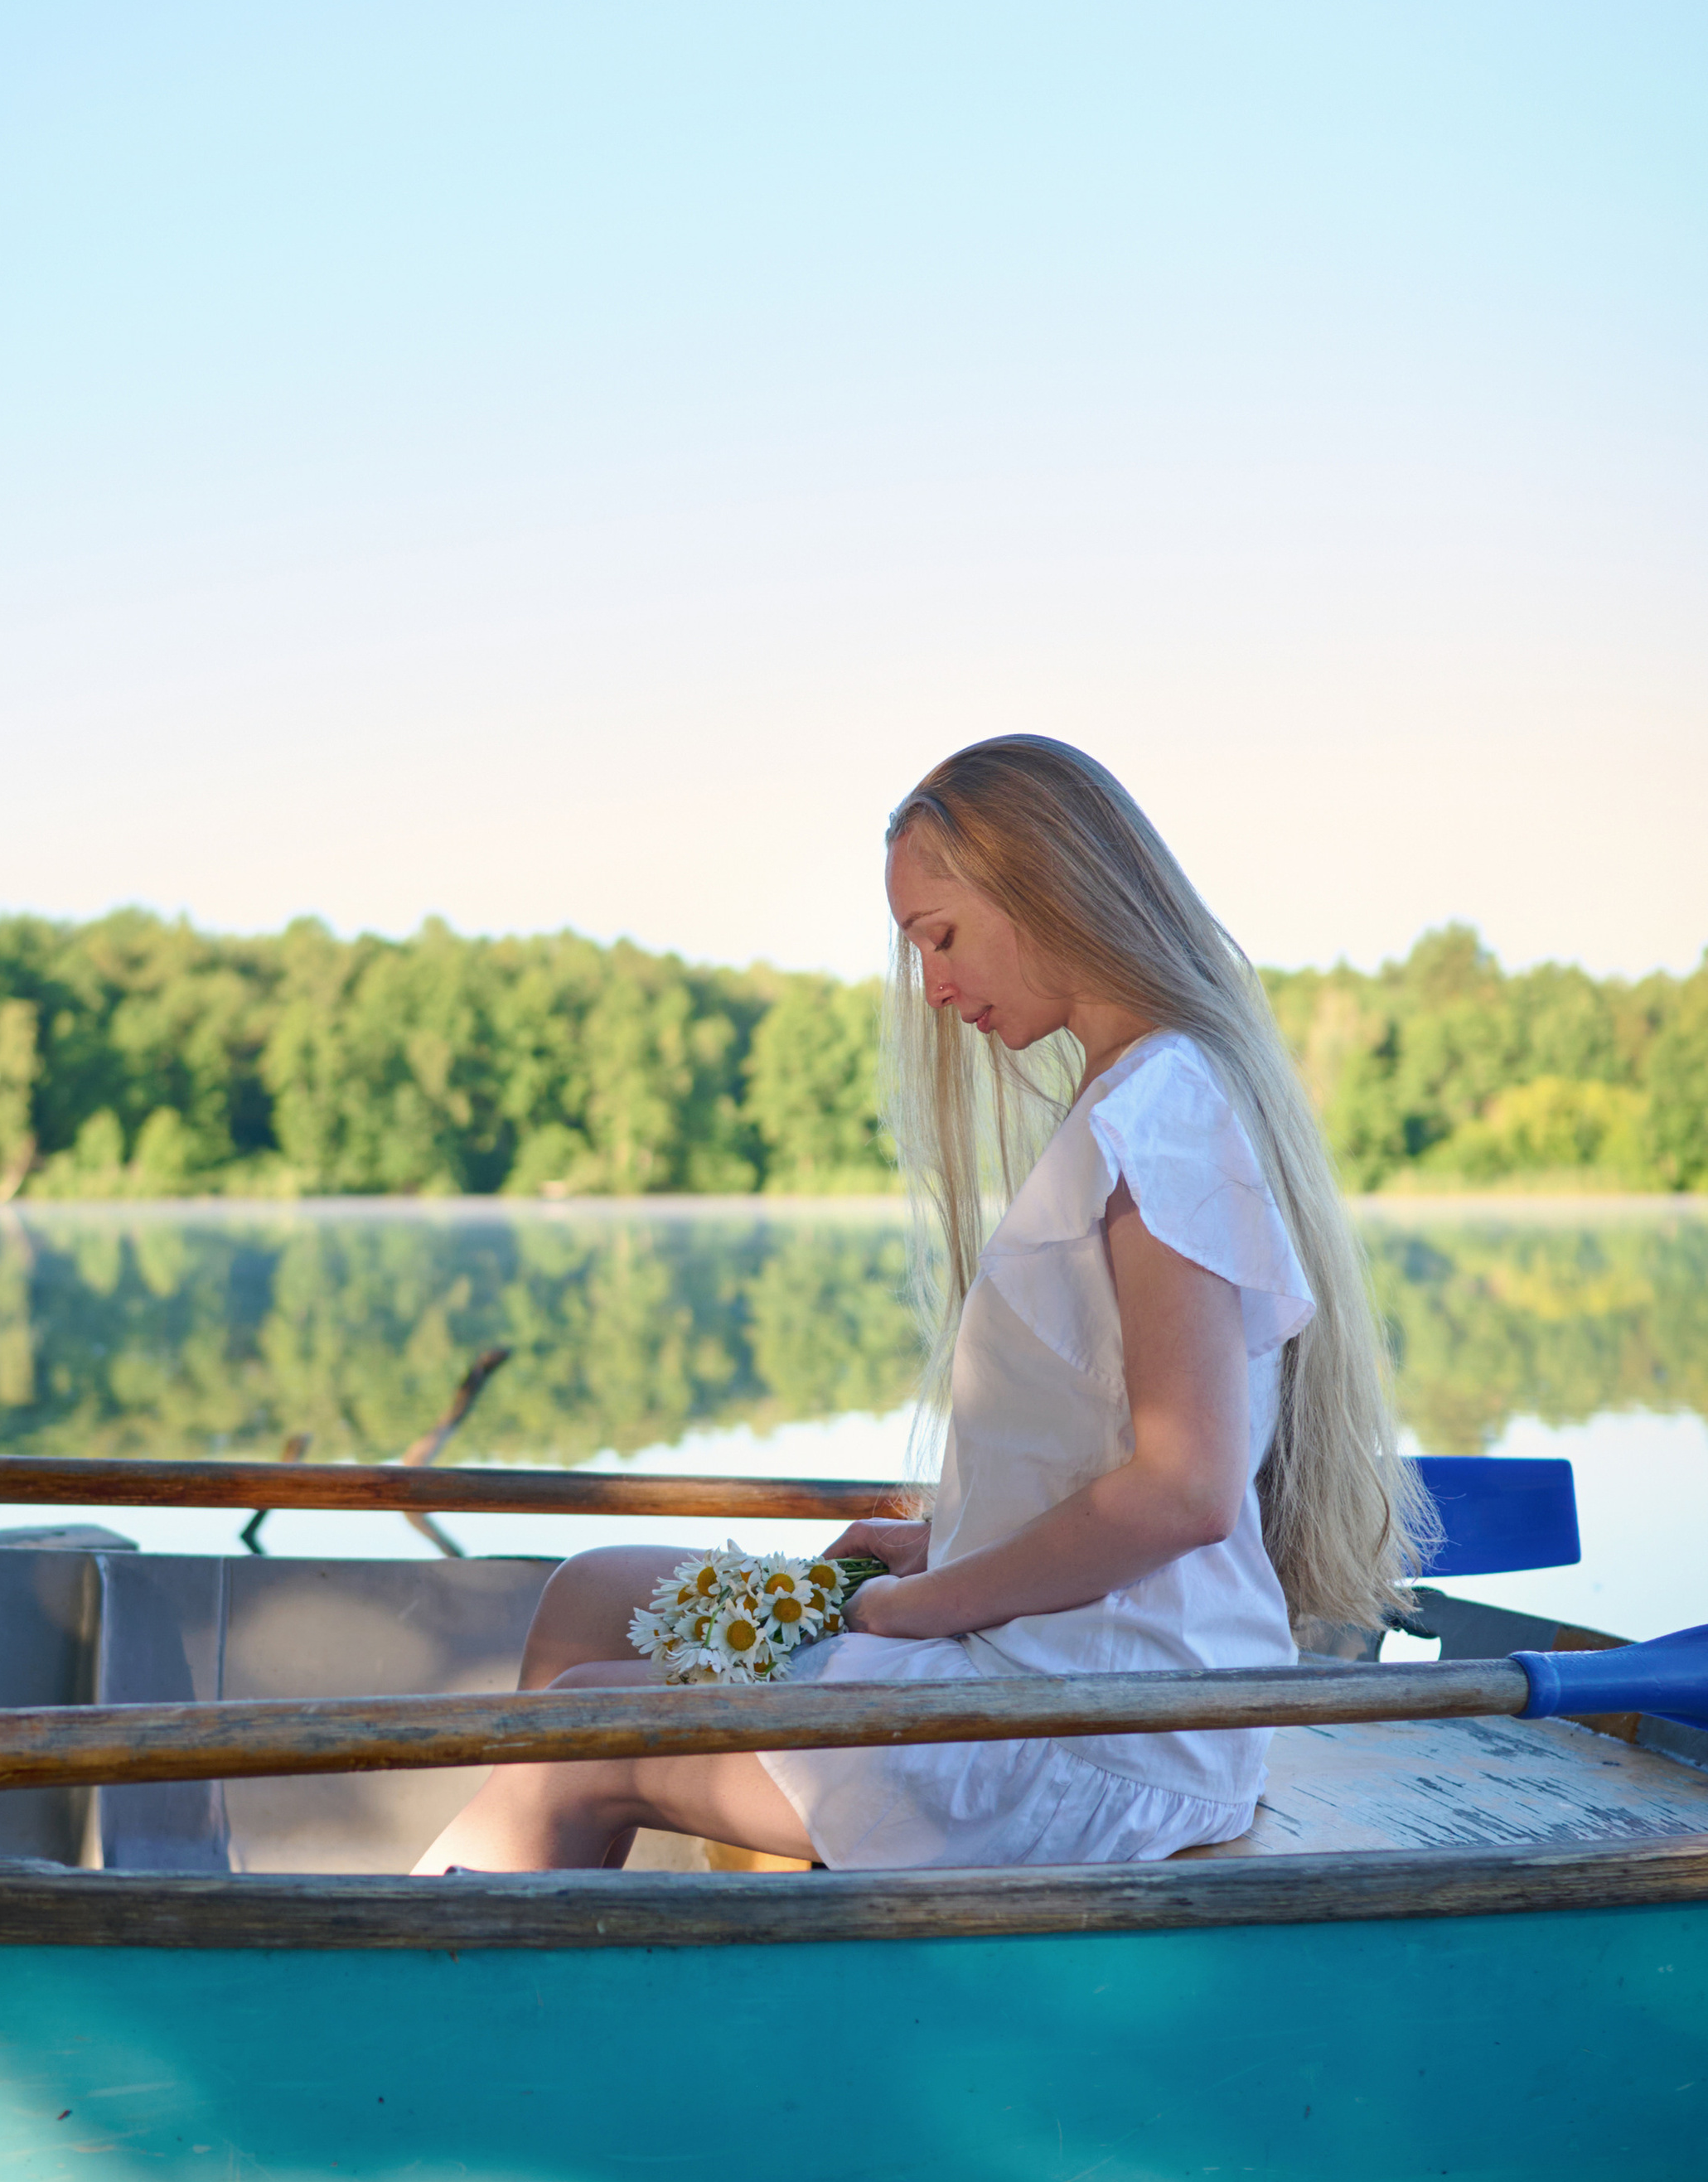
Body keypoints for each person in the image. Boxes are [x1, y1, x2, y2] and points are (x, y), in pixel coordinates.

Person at [413, 733, 1430, 1875]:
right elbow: (1102, 1441)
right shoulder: (1142, 1096)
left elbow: (1185, 1491)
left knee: (574, 1743)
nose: (936, 990)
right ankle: (583, 1959)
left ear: (1046, 887)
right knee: (596, 1595)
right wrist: (945, 1542)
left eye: (940, 938)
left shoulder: (1165, 1119)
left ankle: (437, 2001)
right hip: (1056, 1666)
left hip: (1111, 1736)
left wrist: (923, 1607)